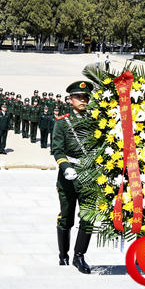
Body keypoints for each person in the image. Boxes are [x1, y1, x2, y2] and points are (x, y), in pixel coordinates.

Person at [51, 80, 94, 274]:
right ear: (70, 99)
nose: (83, 100)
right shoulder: (62, 122)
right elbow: (57, 149)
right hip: (68, 176)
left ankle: (79, 256)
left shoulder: (96, 121)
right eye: (79, 97)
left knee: (88, 217)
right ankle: (63, 254)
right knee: (66, 217)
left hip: (89, 175)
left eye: (85, 97)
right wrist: (66, 167)